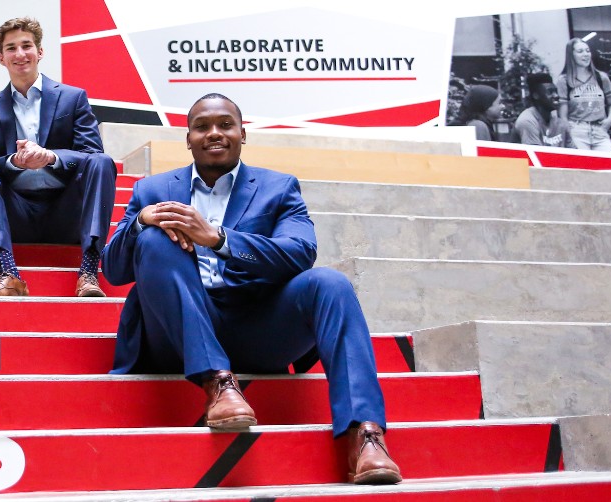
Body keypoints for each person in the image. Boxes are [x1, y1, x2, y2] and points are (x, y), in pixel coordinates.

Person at [101, 93, 403, 485]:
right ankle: (218, 384)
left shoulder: (278, 188)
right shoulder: (152, 190)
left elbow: (299, 252)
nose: (214, 133)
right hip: (176, 332)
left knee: (331, 283)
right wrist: (141, 221)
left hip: (257, 326)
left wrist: (218, 238)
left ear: (243, 134)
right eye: (202, 126)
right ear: (187, 138)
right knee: (154, 240)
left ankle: (365, 436)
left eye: (225, 125)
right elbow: (114, 269)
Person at [0, 17, 118, 297]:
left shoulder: (73, 98)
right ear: (1, 58)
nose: (20, 54)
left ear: (40, 51)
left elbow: (91, 152)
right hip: (17, 214)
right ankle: (9, 273)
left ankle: (89, 272)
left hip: (66, 211)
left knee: (101, 162)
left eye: (26, 45)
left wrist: (50, 157)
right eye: (11, 48)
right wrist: (13, 161)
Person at [556, 38, 611, 152]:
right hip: (577, 131)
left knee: (610, 165)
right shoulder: (564, 80)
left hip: (600, 131)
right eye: (580, 51)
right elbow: (563, 115)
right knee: (583, 168)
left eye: (587, 51)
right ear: (571, 55)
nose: (586, 54)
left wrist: (609, 121)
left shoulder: (601, 77)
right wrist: (569, 134)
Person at [514, 73, 572, 148]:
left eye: (556, 91)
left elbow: (576, 154)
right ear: (536, 96)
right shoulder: (527, 121)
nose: (556, 96)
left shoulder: (559, 122)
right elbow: (535, 157)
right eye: (550, 92)